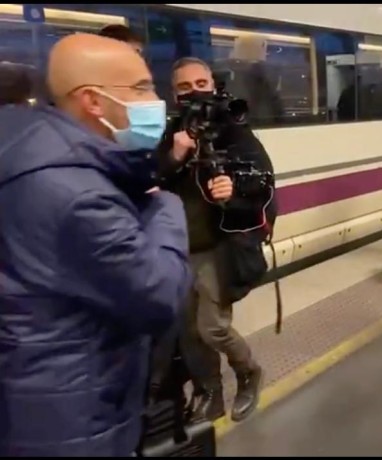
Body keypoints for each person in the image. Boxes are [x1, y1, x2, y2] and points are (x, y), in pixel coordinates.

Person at [0, 33, 191, 456]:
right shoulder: (78, 194)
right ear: (93, 101)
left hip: (31, 394)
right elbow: (159, 295)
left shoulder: (28, 149)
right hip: (72, 414)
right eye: (142, 88)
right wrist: (166, 207)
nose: (155, 100)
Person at [157, 56, 275, 423]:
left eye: (201, 84)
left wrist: (233, 190)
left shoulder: (234, 129)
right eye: (184, 87)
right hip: (178, 247)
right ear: (174, 94)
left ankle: (248, 371)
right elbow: (152, 175)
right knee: (188, 331)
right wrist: (175, 155)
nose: (194, 93)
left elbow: (263, 183)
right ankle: (211, 393)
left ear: (213, 85)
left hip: (217, 247)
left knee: (212, 328)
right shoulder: (172, 132)